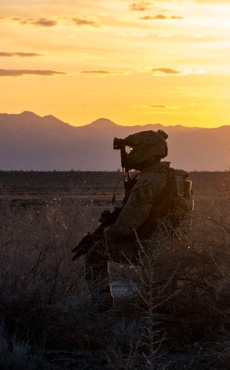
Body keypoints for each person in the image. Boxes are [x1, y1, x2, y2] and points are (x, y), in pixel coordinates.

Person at [72, 129, 194, 311]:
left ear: (148, 150)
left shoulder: (149, 180)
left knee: (94, 251)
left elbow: (127, 225)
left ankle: (101, 309)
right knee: (160, 301)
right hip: (169, 244)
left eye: (136, 149)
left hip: (150, 247)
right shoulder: (170, 176)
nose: (131, 154)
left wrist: (105, 235)